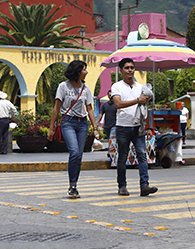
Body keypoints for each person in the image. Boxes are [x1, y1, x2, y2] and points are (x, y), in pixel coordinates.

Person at [48, 60, 100, 199]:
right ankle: (71, 185)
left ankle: (74, 185)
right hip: (68, 122)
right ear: (77, 71)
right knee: (74, 152)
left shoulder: (86, 88)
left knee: (79, 156)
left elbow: (89, 108)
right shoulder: (63, 87)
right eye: (84, 69)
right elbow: (56, 107)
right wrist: (51, 128)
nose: (86, 72)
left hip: (82, 123)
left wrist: (95, 128)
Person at [111, 57, 157, 197]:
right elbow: (118, 104)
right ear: (121, 70)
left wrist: (149, 126)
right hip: (123, 127)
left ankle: (144, 185)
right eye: (127, 68)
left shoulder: (140, 87)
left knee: (142, 156)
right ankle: (122, 186)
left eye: (132, 67)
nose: (130, 70)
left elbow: (145, 108)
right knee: (123, 157)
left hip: (138, 127)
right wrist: (137, 100)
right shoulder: (117, 86)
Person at [99, 90, 117, 158]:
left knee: (111, 138)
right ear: (108, 96)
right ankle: (113, 151)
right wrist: (97, 122)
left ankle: (110, 152)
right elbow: (101, 113)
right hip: (107, 125)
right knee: (110, 139)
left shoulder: (116, 104)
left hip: (114, 125)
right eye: (110, 95)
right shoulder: (105, 105)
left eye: (112, 95)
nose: (111, 97)